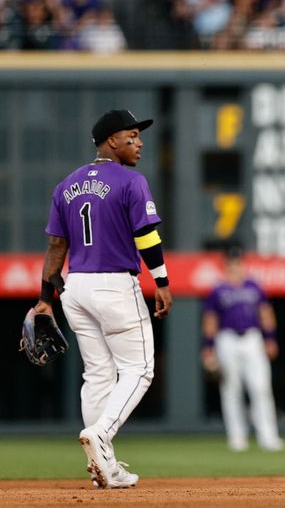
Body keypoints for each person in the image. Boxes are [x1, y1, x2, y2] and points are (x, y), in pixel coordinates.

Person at [32, 109, 173, 488]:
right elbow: (146, 236)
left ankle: (104, 468)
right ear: (111, 141)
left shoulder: (66, 185)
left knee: (97, 373)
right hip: (113, 284)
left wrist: (46, 298)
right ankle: (101, 435)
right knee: (140, 369)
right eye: (132, 135)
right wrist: (161, 281)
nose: (139, 141)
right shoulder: (130, 181)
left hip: (75, 287)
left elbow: (55, 245)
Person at [201, 245, 284, 452]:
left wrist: (270, 338)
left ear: (242, 264)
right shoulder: (218, 290)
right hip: (227, 339)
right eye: (231, 262)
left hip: (252, 339)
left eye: (238, 262)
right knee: (231, 389)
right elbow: (210, 319)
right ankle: (237, 437)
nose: (235, 266)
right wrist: (209, 346)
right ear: (225, 265)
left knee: (261, 387)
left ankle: (268, 436)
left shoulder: (253, 286)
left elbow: (265, 312)